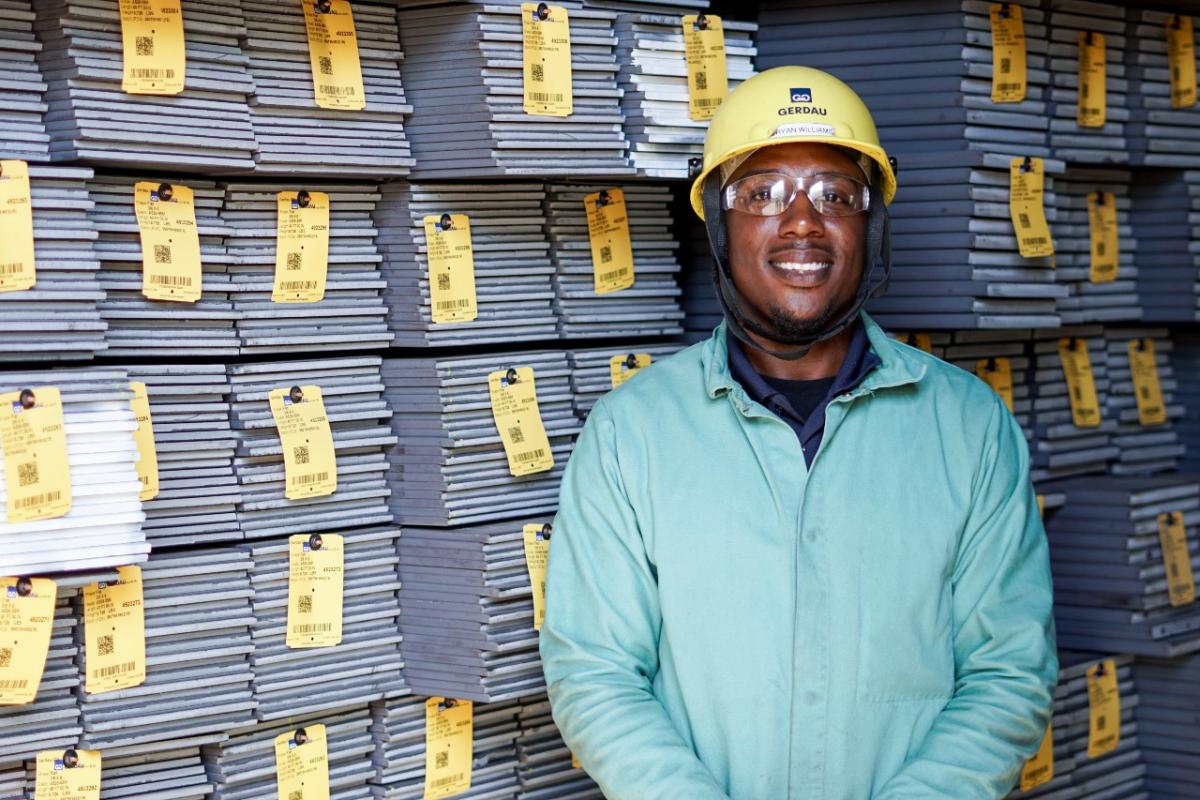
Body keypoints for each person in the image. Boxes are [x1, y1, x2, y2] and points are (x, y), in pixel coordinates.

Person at [539, 66, 1057, 799]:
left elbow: (1009, 674)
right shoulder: (634, 431)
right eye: (764, 195)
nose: (803, 222)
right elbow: (594, 672)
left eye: (836, 196)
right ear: (720, 227)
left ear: (869, 224)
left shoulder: (968, 427)